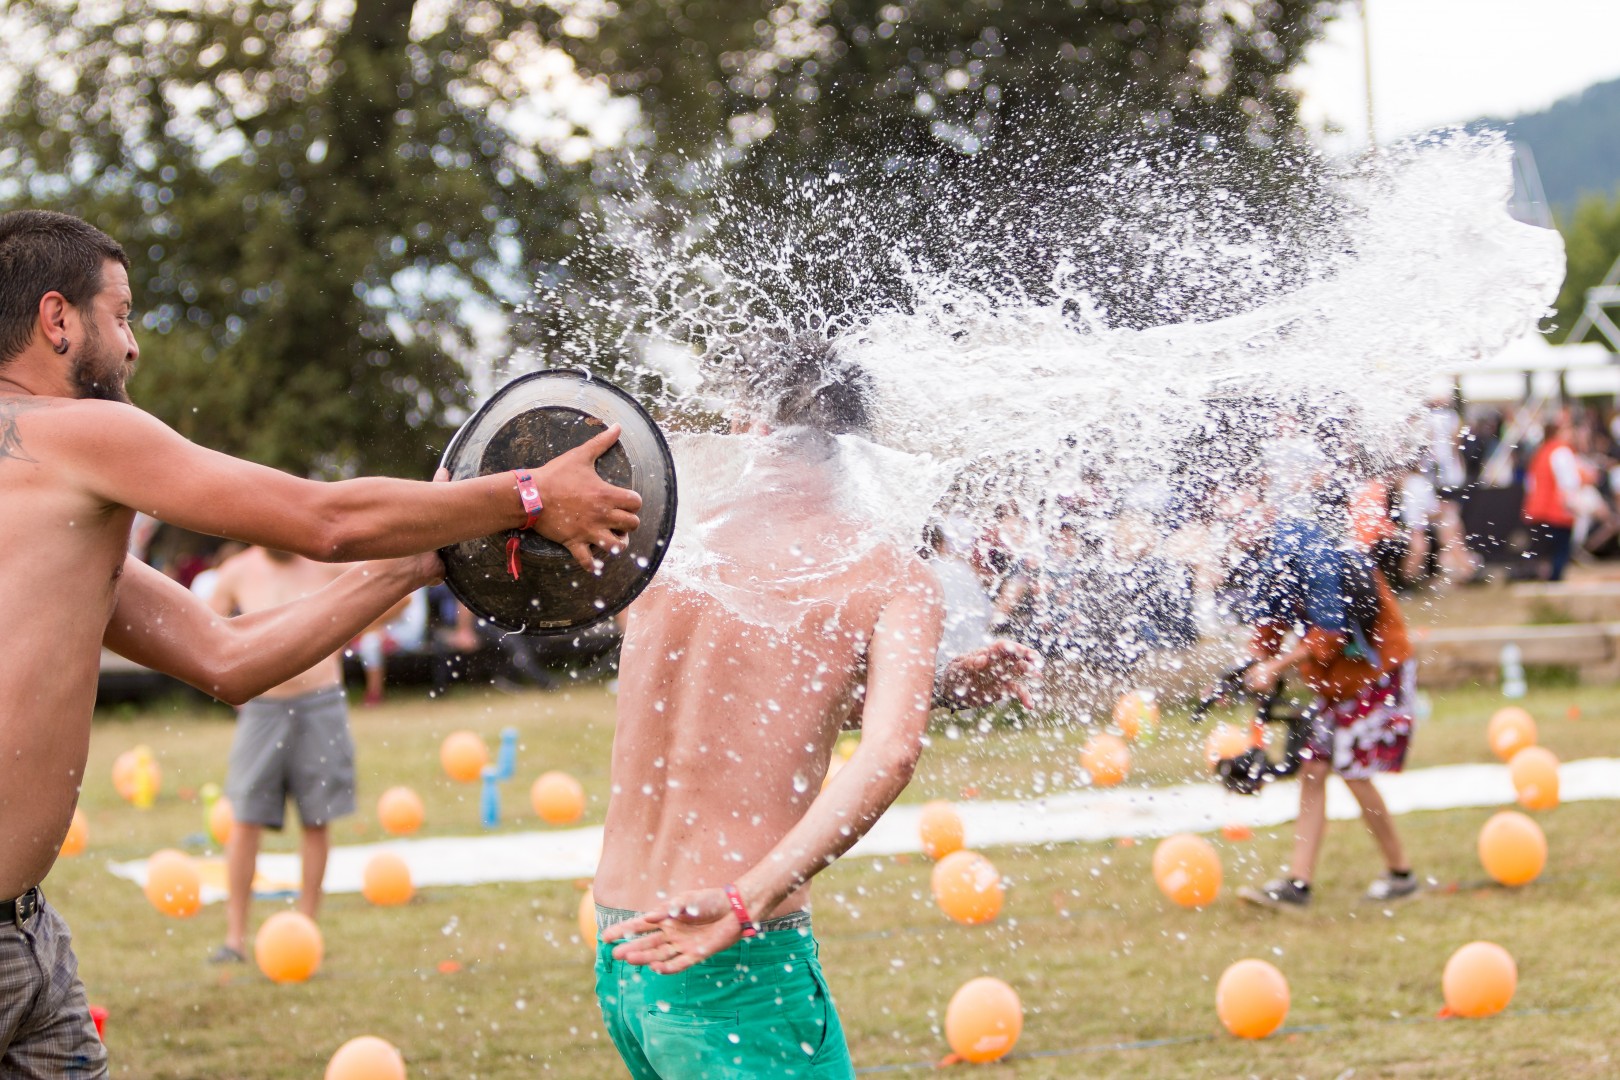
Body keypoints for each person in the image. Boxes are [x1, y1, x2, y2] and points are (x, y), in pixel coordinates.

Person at [0, 208, 641, 1076]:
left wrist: (414, 564)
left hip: (28, 938)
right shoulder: (81, 434)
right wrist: (526, 497)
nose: (135, 346)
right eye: (122, 315)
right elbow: (323, 520)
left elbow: (226, 657)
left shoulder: (49, 510)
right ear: (57, 319)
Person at [593, 336, 945, 1078]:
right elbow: (890, 751)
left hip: (622, 948)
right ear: (856, 445)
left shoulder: (666, 544)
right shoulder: (885, 570)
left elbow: (748, 693)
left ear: (745, 421)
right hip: (732, 947)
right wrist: (744, 900)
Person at [204, 548, 407, 964]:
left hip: (320, 702)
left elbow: (398, 593)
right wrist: (229, 678)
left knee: (317, 818)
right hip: (262, 709)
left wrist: (347, 626)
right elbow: (203, 630)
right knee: (245, 820)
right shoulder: (237, 571)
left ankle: (306, 929)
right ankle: (235, 938)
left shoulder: (327, 563)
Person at [1230, 503, 1420, 910]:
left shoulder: (1314, 559)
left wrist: (1276, 665)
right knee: (1314, 770)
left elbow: (1329, 636)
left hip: (1376, 674)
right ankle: (1298, 885)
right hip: (1337, 685)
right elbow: (1268, 627)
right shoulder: (1272, 565)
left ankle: (1401, 873)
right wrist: (1253, 663)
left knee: (1352, 769)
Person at [1521, 409, 1581, 582]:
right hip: (1557, 511)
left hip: (1538, 510)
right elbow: (1569, 483)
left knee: (1545, 552)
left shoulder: (1541, 452)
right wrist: (1574, 506)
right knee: (1560, 552)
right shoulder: (1562, 452)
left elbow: (1530, 482)